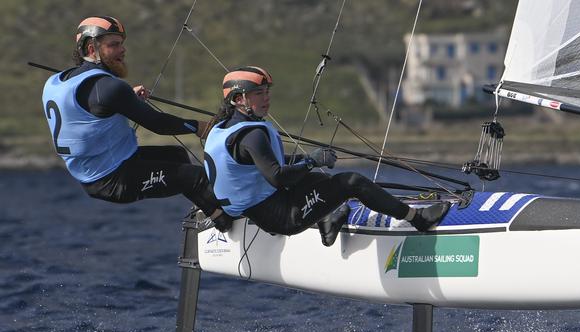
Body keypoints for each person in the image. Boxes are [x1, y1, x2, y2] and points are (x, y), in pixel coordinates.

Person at [203, 66, 450, 246]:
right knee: (351, 182)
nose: (266, 98)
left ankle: (328, 220)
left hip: (263, 209)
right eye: (258, 93)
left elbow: (263, 163)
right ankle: (418, 220)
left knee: (317, 179)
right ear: (238, 99)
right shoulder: (252, 135)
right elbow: (278, 177)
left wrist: (306, 162)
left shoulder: (222, 129)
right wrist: (311, 160)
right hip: (284, 218)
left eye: (267, 91)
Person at [41, 16, 232, 231]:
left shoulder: (57, 81)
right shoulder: (108, 88)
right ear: (91, 48)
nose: (123, 50)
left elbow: (88, 109)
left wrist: (126, 100)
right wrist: (200, 127)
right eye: (114, 45)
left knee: (177, 156)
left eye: (122, 43)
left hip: (100, 170)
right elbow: (158, 124)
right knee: (196, 177)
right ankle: (222, 222)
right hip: (113, 180)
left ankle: (210, 211)